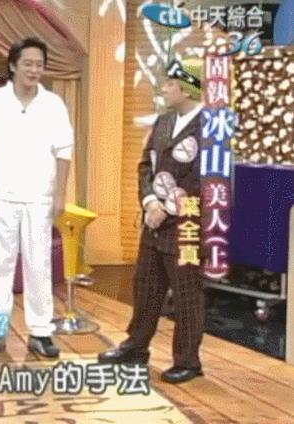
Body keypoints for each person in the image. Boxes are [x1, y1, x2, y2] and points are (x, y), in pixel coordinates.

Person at [98, 58, 205, 384]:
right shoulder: (163, 120)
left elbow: (202, 180)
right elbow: (145, 165)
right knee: (145, 286)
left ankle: (188, 360)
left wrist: (167, 209)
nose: (164, 89)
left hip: (186, 225)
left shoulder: (211, 127)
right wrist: (148, 201)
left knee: (186, 293)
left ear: (187, 87)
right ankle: (136, 346)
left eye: (170, 83)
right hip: (153, 221)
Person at [0, 37, 74, 358]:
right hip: (1, 197)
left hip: (40, 198)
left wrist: (60, 194)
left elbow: (64, 150)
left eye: (39, 65)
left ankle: (41, 332)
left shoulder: (53, 104)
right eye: (28, 63)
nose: (34, 70)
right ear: (13, 65)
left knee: (39, 265)